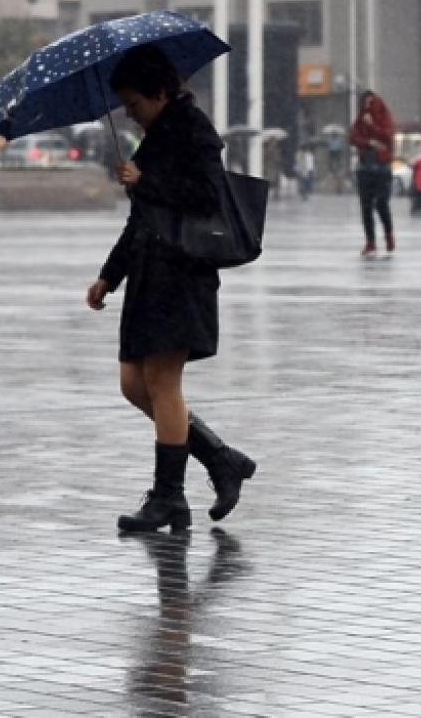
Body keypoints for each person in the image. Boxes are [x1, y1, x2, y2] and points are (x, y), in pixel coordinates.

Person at [86, 45, 256, 533]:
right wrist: (108, 276)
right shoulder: (156, 137)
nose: (131, 116)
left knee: (162, 384)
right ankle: (220, 460)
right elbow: (141, 219)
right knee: (134, 385)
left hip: (181, 275)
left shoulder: (194, 131)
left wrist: (147, 180)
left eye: (135, 105)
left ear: (161, 93)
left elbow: (206, 197)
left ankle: (168, 498)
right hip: (148, 273)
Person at [349, 91, 396, 256]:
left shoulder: (385, 119)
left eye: (371, 103)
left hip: (382, 168)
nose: (368, 108)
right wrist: (369, 142)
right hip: (365, 168)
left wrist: (372, 127)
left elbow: (388, 136)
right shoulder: (360, 119)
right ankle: (370, 241)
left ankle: (388, 235)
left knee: (382, 203)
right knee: (366, 206)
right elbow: (353, 137)